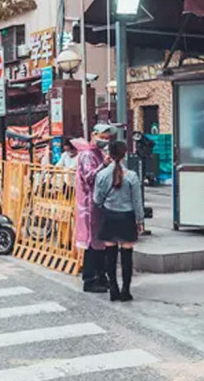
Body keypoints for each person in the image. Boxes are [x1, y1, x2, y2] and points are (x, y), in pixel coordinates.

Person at [93, 140, 143, 302]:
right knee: (127, 255)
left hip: (109, 216)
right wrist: (140, 220)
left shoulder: (101, 175)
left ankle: (113, 289)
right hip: (127, 217)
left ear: (110, 155)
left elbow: (96, 198)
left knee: (110, 255)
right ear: (125, 154)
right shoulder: (132, 176)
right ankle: (126, 291)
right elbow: (137, 202)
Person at [75, 124, 115, 293]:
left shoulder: (98, 153)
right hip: (89, 205)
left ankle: (100, 276)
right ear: (93, 135)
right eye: (102, 137)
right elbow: (89, 178)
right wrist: (103, 166)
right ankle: (90, 279)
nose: (105, 141)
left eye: (107, 138)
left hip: (99, 204)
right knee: (92, 243)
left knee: (100, 242)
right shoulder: (86, 155)